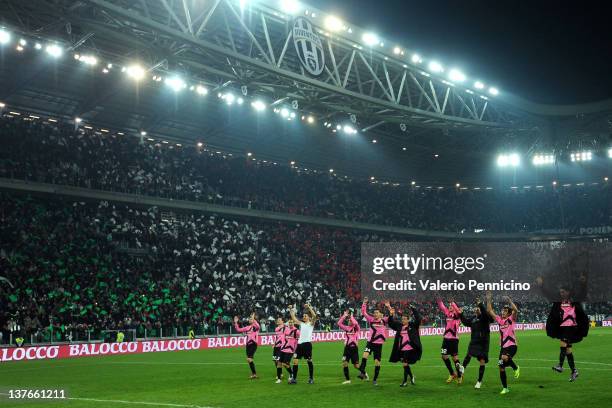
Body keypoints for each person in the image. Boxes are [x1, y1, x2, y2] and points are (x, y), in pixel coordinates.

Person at [536, 275, 589, 382]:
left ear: (568, 292)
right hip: (563, 328)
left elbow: (582, 294)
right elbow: (548, 294)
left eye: (563, 292)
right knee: (568, 350)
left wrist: (583, 284)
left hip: (572, 327)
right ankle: (574, 371)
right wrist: (542, 286)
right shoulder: (558, 302)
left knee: (563, 344)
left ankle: (560, 365)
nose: (561, 293)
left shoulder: (574, 301)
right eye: (560, 292)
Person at [486, 292, 520, 395]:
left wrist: (509, 301)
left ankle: (516, 368)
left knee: (504, 358)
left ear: (509, 313)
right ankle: (505, 388)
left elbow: (516, 310)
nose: (503, 312)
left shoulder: (511, 319)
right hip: (503, 347)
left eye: (505, 311)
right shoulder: (500, 320)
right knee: (501, 367)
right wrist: (488, 299)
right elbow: (489, 310)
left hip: (512, 345)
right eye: (503, 310)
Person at [458, 298, 493, 389]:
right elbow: (465, 322)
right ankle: (463, 368)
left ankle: (479, 381)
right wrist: (461, 314)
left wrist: (480, 304)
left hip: (483, 343)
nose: (476, 309)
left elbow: (485, 313)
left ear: (481, 310)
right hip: (474, 341)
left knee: (482, 361)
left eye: (478, 309)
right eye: (476, 308)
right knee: (468, 354)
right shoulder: (473, 319)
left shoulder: (485, 318)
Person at [388, 303, 422, 388]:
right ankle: (411, 377)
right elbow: (391, 323)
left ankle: (405, 381)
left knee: (404, 364)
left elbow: (418, 319)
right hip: (402, 349)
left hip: (410, 348)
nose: (402, 320)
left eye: (404, 319)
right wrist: (391, 315)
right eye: (402, 319)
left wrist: (414, 309)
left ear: (408, 320)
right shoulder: (399, 326)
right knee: (405, 364)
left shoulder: (413, 326)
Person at [358, 297, 390, 385]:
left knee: (377, 363)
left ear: (381, 314)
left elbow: (391, 315)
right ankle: (362, 372)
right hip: (370, 343)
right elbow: (364, 312)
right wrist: (364, 303)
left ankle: (375, 379)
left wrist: (389, 307)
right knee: (364, 357)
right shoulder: (371, 320)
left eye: (377, 313)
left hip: (378, 344)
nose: (375, 314)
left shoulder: (384, 321)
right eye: (374, 313)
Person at [437, 298, 464, 383]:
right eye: (449, 306)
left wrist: (452, 302)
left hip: (454, 339)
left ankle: (459, 375)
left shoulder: (457, 315)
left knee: (454, 358)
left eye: (451, 306)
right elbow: (441, 306)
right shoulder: (447, 313)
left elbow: (458, 311)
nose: (450, 307)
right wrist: (438, 299)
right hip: (446, 339)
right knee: (444, 356)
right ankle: (452, 374)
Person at [289, 303, 317, 384]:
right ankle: (294, 379)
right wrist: (291, 309)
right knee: (295, 361)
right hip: (299, 344)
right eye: (303, 316)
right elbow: (293, 318)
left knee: (309, 361)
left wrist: (309, 307)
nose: (304, 317)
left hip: (307, 345)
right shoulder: (301, 324)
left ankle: (311, 378)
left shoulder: (311, 324)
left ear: (309, 317)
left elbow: (314, 316)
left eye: (305, 316)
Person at [234, 313, 260, 379]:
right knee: (249, 360)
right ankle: (254, 374)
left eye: (251, 319)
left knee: (249, 359)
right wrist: (236, 322)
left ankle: (254, 374)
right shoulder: (247, 327)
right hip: (248, 345)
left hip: (253, 344)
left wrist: (253, 318)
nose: (250, 320)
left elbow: (257, 326)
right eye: (249, 319)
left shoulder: (255, 327)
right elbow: (238, 330)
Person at [337, 310, 361, 384]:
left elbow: (355, 323)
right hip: (347, 348)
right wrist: (344, 316)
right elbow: (339, 323)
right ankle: (348, 380)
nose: (349, 321)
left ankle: (364, 373)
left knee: (356, 366)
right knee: (344, 363)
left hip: (354, 349)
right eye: (348, 320)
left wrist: (351, 317)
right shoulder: (346, 328)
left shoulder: (357, 328)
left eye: (350, 320)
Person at [280, 320, 300, 384]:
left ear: (294, 323)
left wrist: (296, 349)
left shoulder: (296, 331)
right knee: (283, 364)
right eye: (289, 322)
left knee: (285, 363)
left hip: (291, 350)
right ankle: (291, 374)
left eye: (292, 322)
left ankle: (292, 374)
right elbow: (283, 338)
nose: (290, 323)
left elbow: (299, 340)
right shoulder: (286, 330)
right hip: (284, 349)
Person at [273, 317, 286, 383]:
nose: (278, 321)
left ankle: (280, 374)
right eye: (277, 320)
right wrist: (274, 343)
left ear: (283, 321)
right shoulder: (276, 328)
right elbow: (277, 337)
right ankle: (280, 373)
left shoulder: (285, 327)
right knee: (275, 360)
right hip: (276, 346)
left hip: (281, 346)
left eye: (279, 320)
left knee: (279, 361)